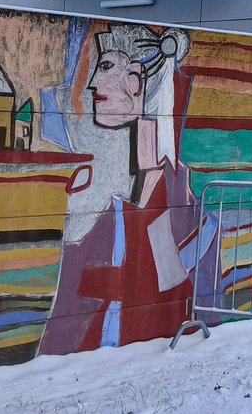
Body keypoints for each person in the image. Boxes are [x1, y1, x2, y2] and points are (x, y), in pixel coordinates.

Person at [41, 23, 202, 353]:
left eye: (105, 66)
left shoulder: (164, 180)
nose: (92, 83)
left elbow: (169, 273)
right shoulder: (94, 157)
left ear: (135, 81)